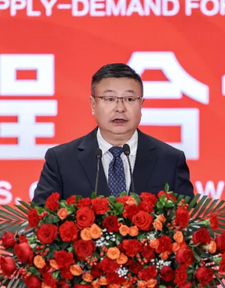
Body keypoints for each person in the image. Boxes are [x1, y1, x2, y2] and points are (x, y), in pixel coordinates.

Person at [31, 63, 194, 205]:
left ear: (141, 104)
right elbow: (41, 220)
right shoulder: (61, 160)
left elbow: (188, 222)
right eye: (109, 99)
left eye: (129, 99)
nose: (120, 108)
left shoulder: (170, 161)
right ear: (93, 104)